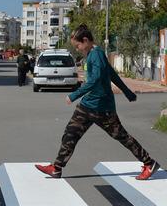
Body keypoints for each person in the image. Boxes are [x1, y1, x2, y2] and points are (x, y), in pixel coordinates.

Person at [35, 25, 159, 180]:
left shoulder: (97, 55)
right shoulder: (94, 53)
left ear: (85, 40)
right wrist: (127, 92)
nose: (78, 49)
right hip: (87, 106)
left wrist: (74, 95)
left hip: (102, 108)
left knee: (122, 136)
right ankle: (56, 168)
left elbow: (95, 80)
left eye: (78, 45)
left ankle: (149, 163)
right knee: (70, 134)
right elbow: (112, 74)